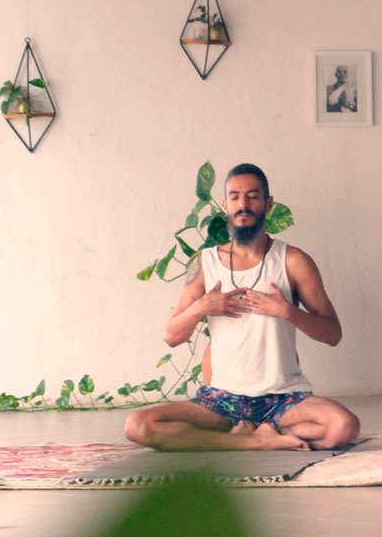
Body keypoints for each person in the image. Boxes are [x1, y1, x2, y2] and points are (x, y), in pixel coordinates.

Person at [124, 163, 359, 451]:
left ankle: (256, 433)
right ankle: (253, 441)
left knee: (343, 426)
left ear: (268, 204)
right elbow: (172, 336)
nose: (243, 204)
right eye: (235, 197)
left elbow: (333, 333)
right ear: (225, 205)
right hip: (221, 399)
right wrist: (201, 307)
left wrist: (288, 312)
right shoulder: (205, 263)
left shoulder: (293, 261)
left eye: (252, 196)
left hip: (283, 399)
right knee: (137, 425)